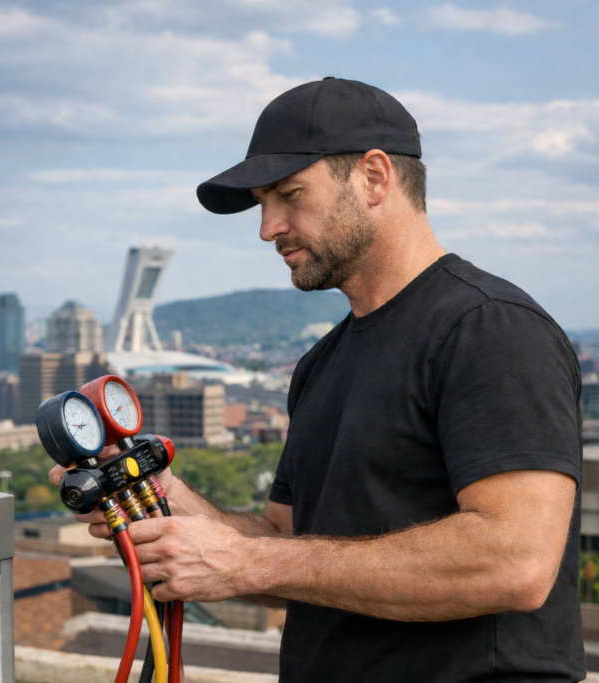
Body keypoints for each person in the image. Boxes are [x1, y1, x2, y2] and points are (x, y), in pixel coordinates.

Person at [50, 77, 585, 682]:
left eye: (289, 195)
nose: (267, 227)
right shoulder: (320, 363)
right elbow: (287, 544)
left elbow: (515, 562)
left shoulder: (490, 329)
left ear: (375, 177)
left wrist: (249, 561)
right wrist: (164, 498)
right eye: (262, 203)